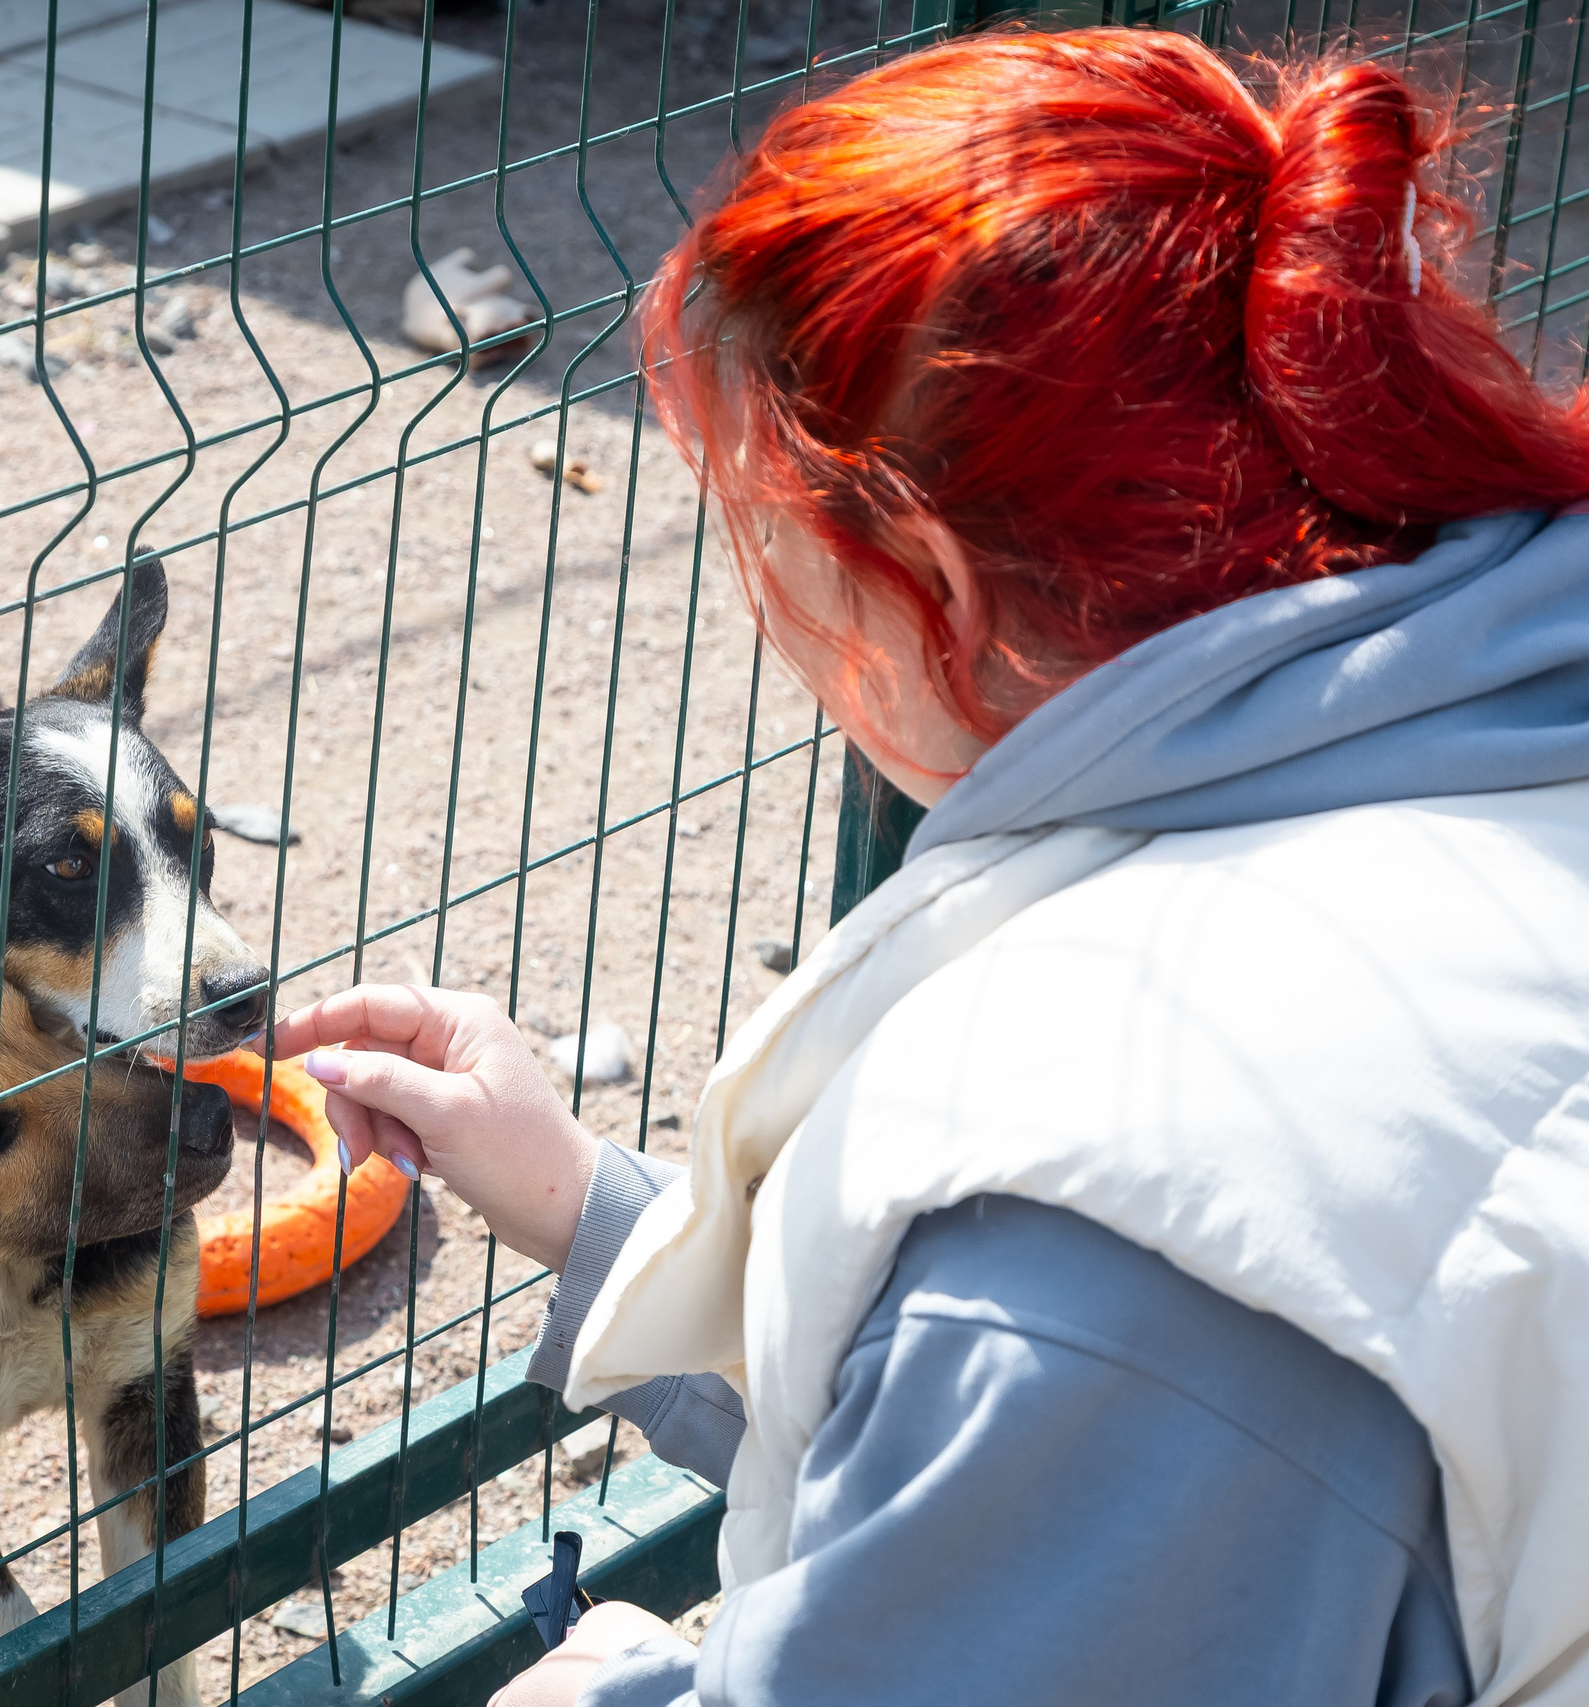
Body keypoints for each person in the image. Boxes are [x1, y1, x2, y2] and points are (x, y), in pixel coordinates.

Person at [269, 28, 1589, 1707]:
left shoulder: (1122, 1216)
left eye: (759, 552)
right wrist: (591, 1209)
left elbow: (1084, 1397)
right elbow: (1082, 1500)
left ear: (932, 586)